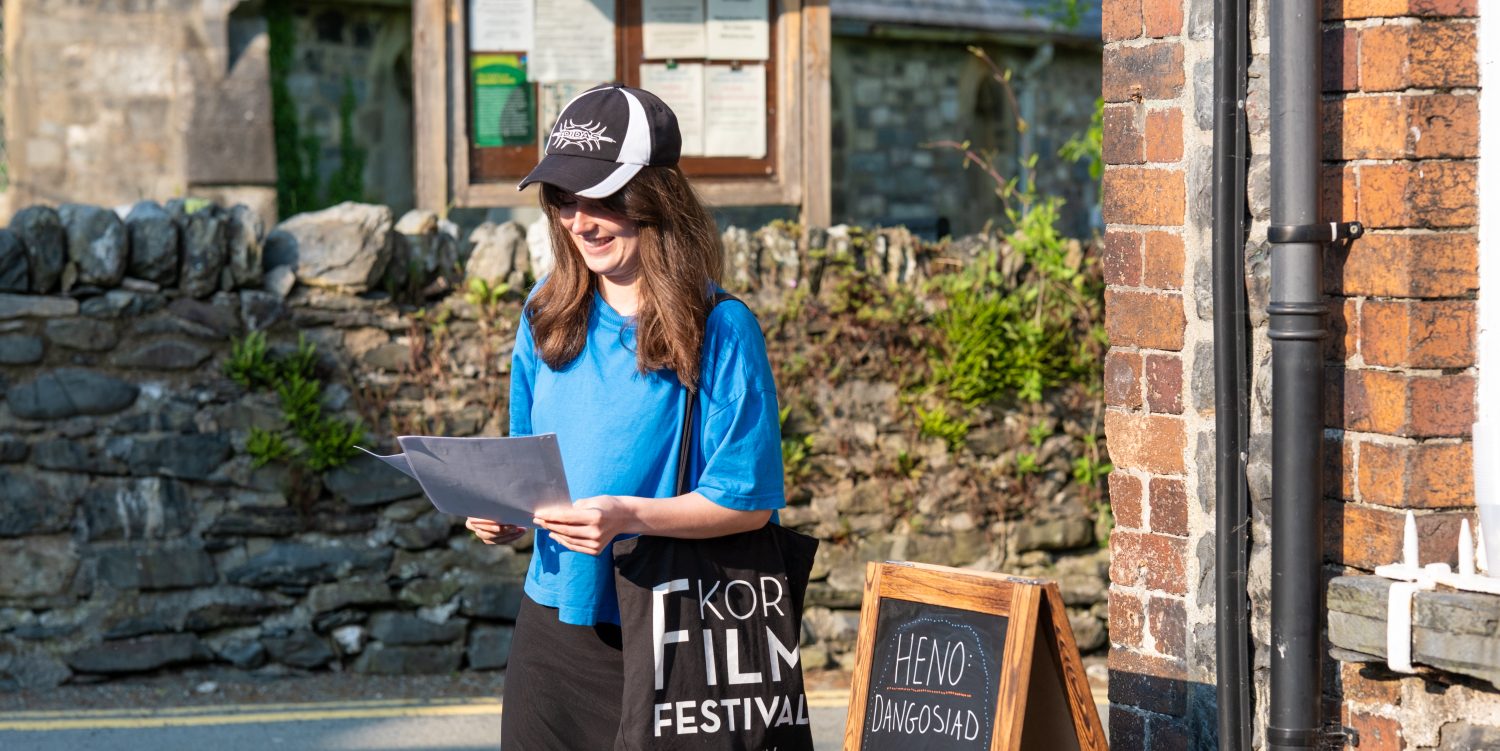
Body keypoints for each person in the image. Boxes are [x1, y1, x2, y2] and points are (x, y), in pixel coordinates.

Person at [463, 83, 786, 749]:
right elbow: (536, 471)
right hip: (551, 625)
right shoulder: (543, 313)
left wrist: (626, 515)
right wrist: (504, 512)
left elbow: (747, 501)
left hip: (671, 630)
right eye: (563, 199)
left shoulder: (720, 328)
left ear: (655, 196)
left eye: (603, 198)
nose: (580, 220)